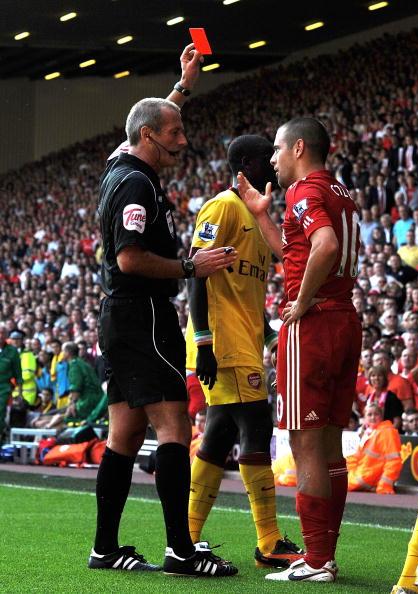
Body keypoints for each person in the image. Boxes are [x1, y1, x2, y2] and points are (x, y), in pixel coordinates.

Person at [91, 44, 238, 577]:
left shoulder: (120, 163)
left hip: (121, 318)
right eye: (173, 132)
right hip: (144, 314)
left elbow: (143, 120)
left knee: (125, 436)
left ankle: (105, 548)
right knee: (175, 425)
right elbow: (130, 258)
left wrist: (184, 84)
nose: (183, 139)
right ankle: (181, 550)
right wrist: (189, 269)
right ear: (150, 137)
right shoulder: (135, 182)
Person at [237, 116, 362, 582]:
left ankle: (315, 560)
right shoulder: (342, 193)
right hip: (345, 318)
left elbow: (323, 246)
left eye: (276, 148)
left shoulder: (304, 191)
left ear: (298, 148)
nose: (271, 158)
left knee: (303, 442)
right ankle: (325, 556)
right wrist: (261, 215)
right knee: (329, 444)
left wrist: (301, 303)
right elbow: (298, 250)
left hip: (314, 324)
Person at [186, 134, 303, 570]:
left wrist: (270, 335)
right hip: (222, 342)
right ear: (248, 164)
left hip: (244, 340)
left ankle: (186, 535)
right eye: (267, 159)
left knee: (218, 435)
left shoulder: (256, 216)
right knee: (254, 422)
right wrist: (203, 342)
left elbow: (245, 291)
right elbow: (197, 273)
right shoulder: (222, 207)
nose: (274, 165)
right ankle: (269, 541)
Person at [347, 403, 402, 494]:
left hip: (366, 477)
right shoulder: (369, 432)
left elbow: (394, 461)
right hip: (362, 473)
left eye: (376, 414)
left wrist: (384, 485)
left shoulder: (387, 432)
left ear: (381, 416)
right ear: (364, 418)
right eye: (369, 414)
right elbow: (356, 457)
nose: (373, 417)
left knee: (335, 483)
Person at [0, 325, 22, 442]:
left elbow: (18, 374)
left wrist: (20, 393)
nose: (0, 336)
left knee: (0, 413)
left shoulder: (12, 351)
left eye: (3, 333)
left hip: (3, 387)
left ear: (6, 336)